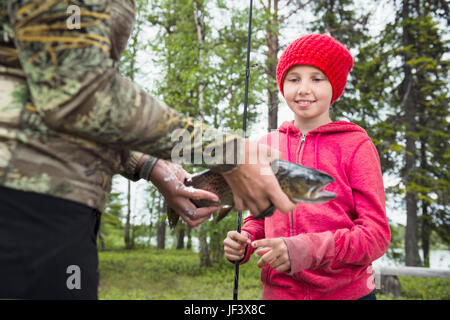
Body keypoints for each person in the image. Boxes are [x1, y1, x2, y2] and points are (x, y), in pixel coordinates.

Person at [0, 1, 295, 299]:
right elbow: (76, 87)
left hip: (58, 201)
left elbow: (88, 93)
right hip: (26, 197)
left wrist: (149, 164)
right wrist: (226, 152)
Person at [224, 33, 391, 300]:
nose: (303, 88)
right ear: (282, 85)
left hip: (347, 295)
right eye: (294, 78)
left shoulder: (356, 146)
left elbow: (375, 235)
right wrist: (245, 239)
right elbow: (259, 215)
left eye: (317, 78)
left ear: (334, 87)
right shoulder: (265, 146)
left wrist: (306, 250)